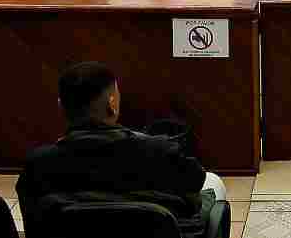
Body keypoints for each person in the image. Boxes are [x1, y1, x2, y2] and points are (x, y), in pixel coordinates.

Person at [16, 62, 226, 238]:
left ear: (61, 106)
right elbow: (196, 181)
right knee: (213, 181)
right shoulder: (158, 151)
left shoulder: (37, 165)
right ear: (112, 103)